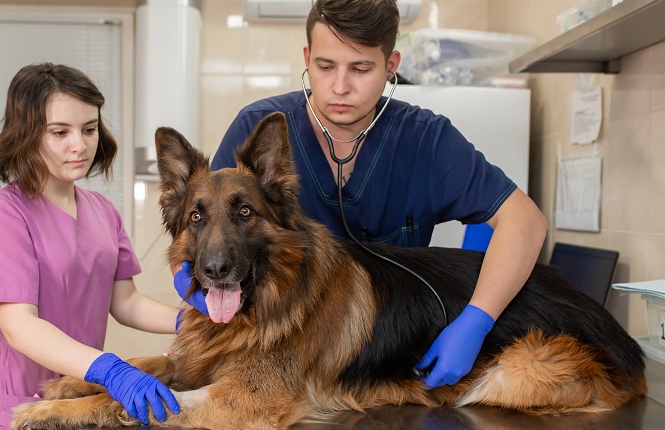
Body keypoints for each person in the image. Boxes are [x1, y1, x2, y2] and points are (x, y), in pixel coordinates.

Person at [175, 0, 547, 390]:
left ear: (391, 66)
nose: (340, 86)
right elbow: (201, 222)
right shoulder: (259, 126)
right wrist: (192, 291)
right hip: (283, 352)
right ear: (306, 57)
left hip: (388, 355)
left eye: (361, 68)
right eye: (325, 66)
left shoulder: (427, 140)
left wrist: (477, 320)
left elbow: (525, 221)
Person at [0, 63, 180, 430]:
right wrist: (110, 369)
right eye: (60, 132)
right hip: (16, 405)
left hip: (75, 401)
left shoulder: (103, 211)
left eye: (89, 129)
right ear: (26, 135)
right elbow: (19, 326)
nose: (80, 145)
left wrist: (191, 321)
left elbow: (125, 302)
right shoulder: (4, 215)